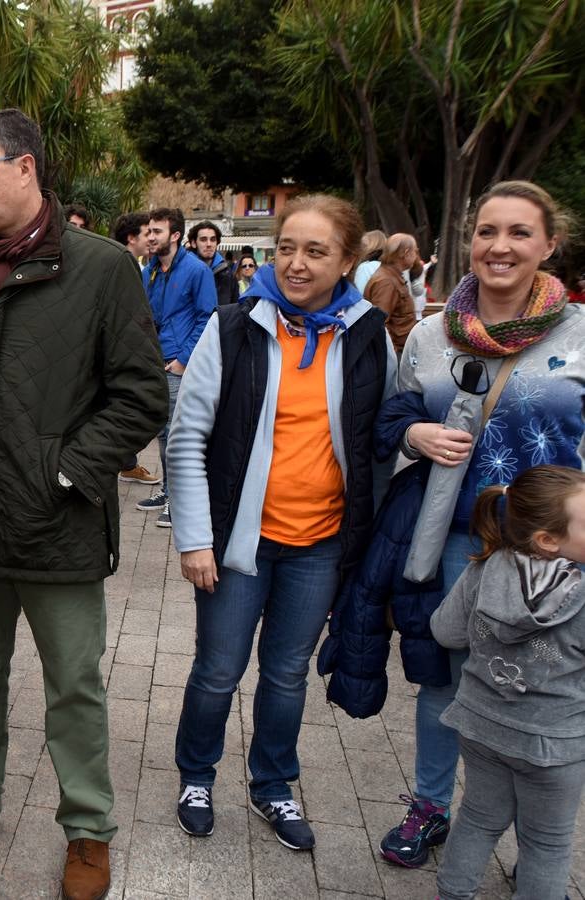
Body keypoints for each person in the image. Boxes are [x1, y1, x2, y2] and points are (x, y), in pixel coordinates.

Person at [0, 108, 166, 900]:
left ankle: (88, 828)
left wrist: (64, 473)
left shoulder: (102, 268)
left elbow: (141, 396)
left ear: (24, 167)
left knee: (74, 687)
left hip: (57, 525)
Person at [168, 194, 394, 851]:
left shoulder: (368, 334)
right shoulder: (235, 326)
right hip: (239, 544)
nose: (295, 263)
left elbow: (380, 438)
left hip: (320, 544)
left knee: (288, 674)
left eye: (315, 252)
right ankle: (196, 776)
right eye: (287, 248)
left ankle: (272, 785)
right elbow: (187, 438)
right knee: (218, 670)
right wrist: (195, 539)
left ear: (347, 261)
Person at [375, 180, 585, 868]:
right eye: (487, 231)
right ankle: (431, 806)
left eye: (520, 232)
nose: (500, 246)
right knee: (444, 676)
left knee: (545, 692)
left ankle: (537, 838)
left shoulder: (580, 333)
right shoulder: (430, 335)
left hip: (553, 551)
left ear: (549, 245)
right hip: (454, 539)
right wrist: (417, 436)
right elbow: (396, 415)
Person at [430, 466, 585, 900]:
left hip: (480, 727)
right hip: (553, 745)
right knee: (546, 844)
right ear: (548, 539)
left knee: (478, 819)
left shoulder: (485, 568)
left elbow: (446, 632)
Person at [138, 206, 218, 528]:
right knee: (162, 432)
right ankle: (168, 492)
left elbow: (207, 317)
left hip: (177, 365)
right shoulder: (150, 270)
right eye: (149, 231)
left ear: (175, 235)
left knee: (177, 434)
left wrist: (183, 360)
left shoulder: (197, 270)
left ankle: (178, 500)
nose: (150, 236)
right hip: (156, 363)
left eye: (156, 231)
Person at [113, 211, 161, 486]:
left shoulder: (140, 267)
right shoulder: (122, 266)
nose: (151, 239)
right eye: (147, 233)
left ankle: (127, 464)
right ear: (132, 238)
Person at [362, 232, 419, 356]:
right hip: (394, 353)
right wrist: (391, 354)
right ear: (406, 253)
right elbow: (379, 322)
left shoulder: (392, 276)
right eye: (415, 251)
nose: (416, 256)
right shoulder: (386, 281)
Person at [189, 220, 238, 306]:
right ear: (193, 243)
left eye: (213, 240)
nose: (209, 244)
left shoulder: (228, 274)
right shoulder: (184, 271)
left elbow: (234, 307)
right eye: (203, 240)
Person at [351, 229, 387, 294]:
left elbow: (359, 295)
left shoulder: (365, 267)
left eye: (364, 246)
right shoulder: (390, 265)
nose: (360, 249)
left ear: (372, 246)